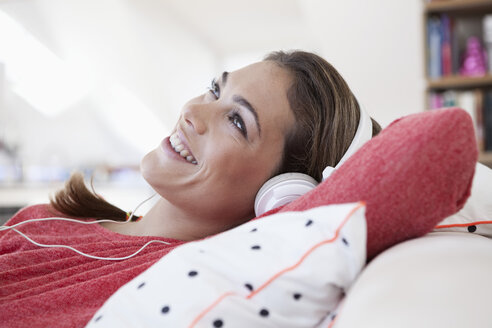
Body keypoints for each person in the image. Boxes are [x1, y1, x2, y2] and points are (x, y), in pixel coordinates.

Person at [0, 50, 476, 328]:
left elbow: (437, 143)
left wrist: (299, 211)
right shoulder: (42, 219)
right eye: (214, 89)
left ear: (281, 192)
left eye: (236, 120)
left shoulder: (171, 279)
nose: (193, 113)